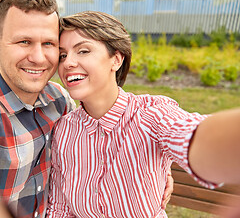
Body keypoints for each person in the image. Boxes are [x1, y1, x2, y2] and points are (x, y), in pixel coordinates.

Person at [0, 0, 173, 218]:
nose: (38, 58)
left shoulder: (59, 100)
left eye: (48, 44)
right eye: (23, 42)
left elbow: (105, 134)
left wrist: (158, 166)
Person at [47, 11, 240, 217]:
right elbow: (60, 208)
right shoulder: (64, 130)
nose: (68, 63)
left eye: (83, 51)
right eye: (62, 55)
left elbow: (191, 135)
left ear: (117, 59)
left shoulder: (152, 114)